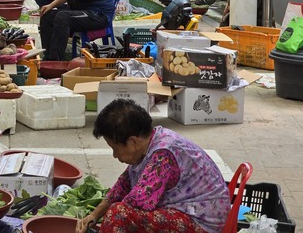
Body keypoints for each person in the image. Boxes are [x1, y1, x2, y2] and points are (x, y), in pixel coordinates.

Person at [75, 99, 230, 233]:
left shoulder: (163, 154)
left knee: (117, 214)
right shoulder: (149, 144)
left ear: (133, 142)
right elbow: (124, 184)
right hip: (188, 210)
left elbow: (136, 204)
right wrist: (93, 216)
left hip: (203, 222)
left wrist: (108, 221)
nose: (115, 155)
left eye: (115, 148)